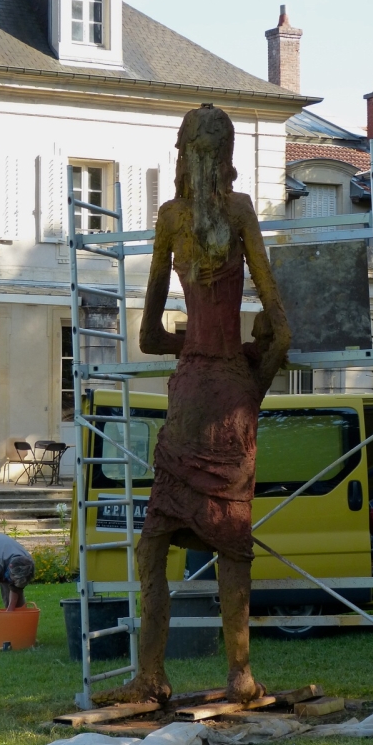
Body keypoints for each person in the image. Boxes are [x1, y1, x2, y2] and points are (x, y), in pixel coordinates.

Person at [94, 104, 291, 706]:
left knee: (155, 541)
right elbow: (280, 334)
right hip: (232, 395)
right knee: (233, 544)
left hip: (189, 398)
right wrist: (247, 387)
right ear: (228, 154)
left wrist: (194, 348)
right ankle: (240, 675)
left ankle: (151, 675)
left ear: (181, 152)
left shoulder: (171, 218)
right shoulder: (239, 212)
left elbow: (149, 336)